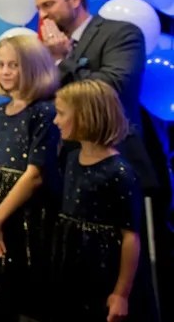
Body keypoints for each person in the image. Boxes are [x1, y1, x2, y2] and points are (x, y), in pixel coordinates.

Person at [34, 0, 158, 190]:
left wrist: (63, 60)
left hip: (116, 159)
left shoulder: (121, 33)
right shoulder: (48, 50)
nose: (42, 15)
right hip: (70, 164)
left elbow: (109, 86)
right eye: (39, 8)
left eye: (48, 5)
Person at [0, 35, 60, 322]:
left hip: (27, 217)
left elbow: (35, 175)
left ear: (34, 67)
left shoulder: (44, 112)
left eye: (14, 64)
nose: (6, 71)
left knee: (30, 299)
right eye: (0, 64)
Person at [51, 80, 147, 322]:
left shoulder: (120, 172)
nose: (55, 121)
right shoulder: (72, 158)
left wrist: (121, 293)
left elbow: (130, 237)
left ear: (86, 116)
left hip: (104, 272)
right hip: (74, 269)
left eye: (61, 114)